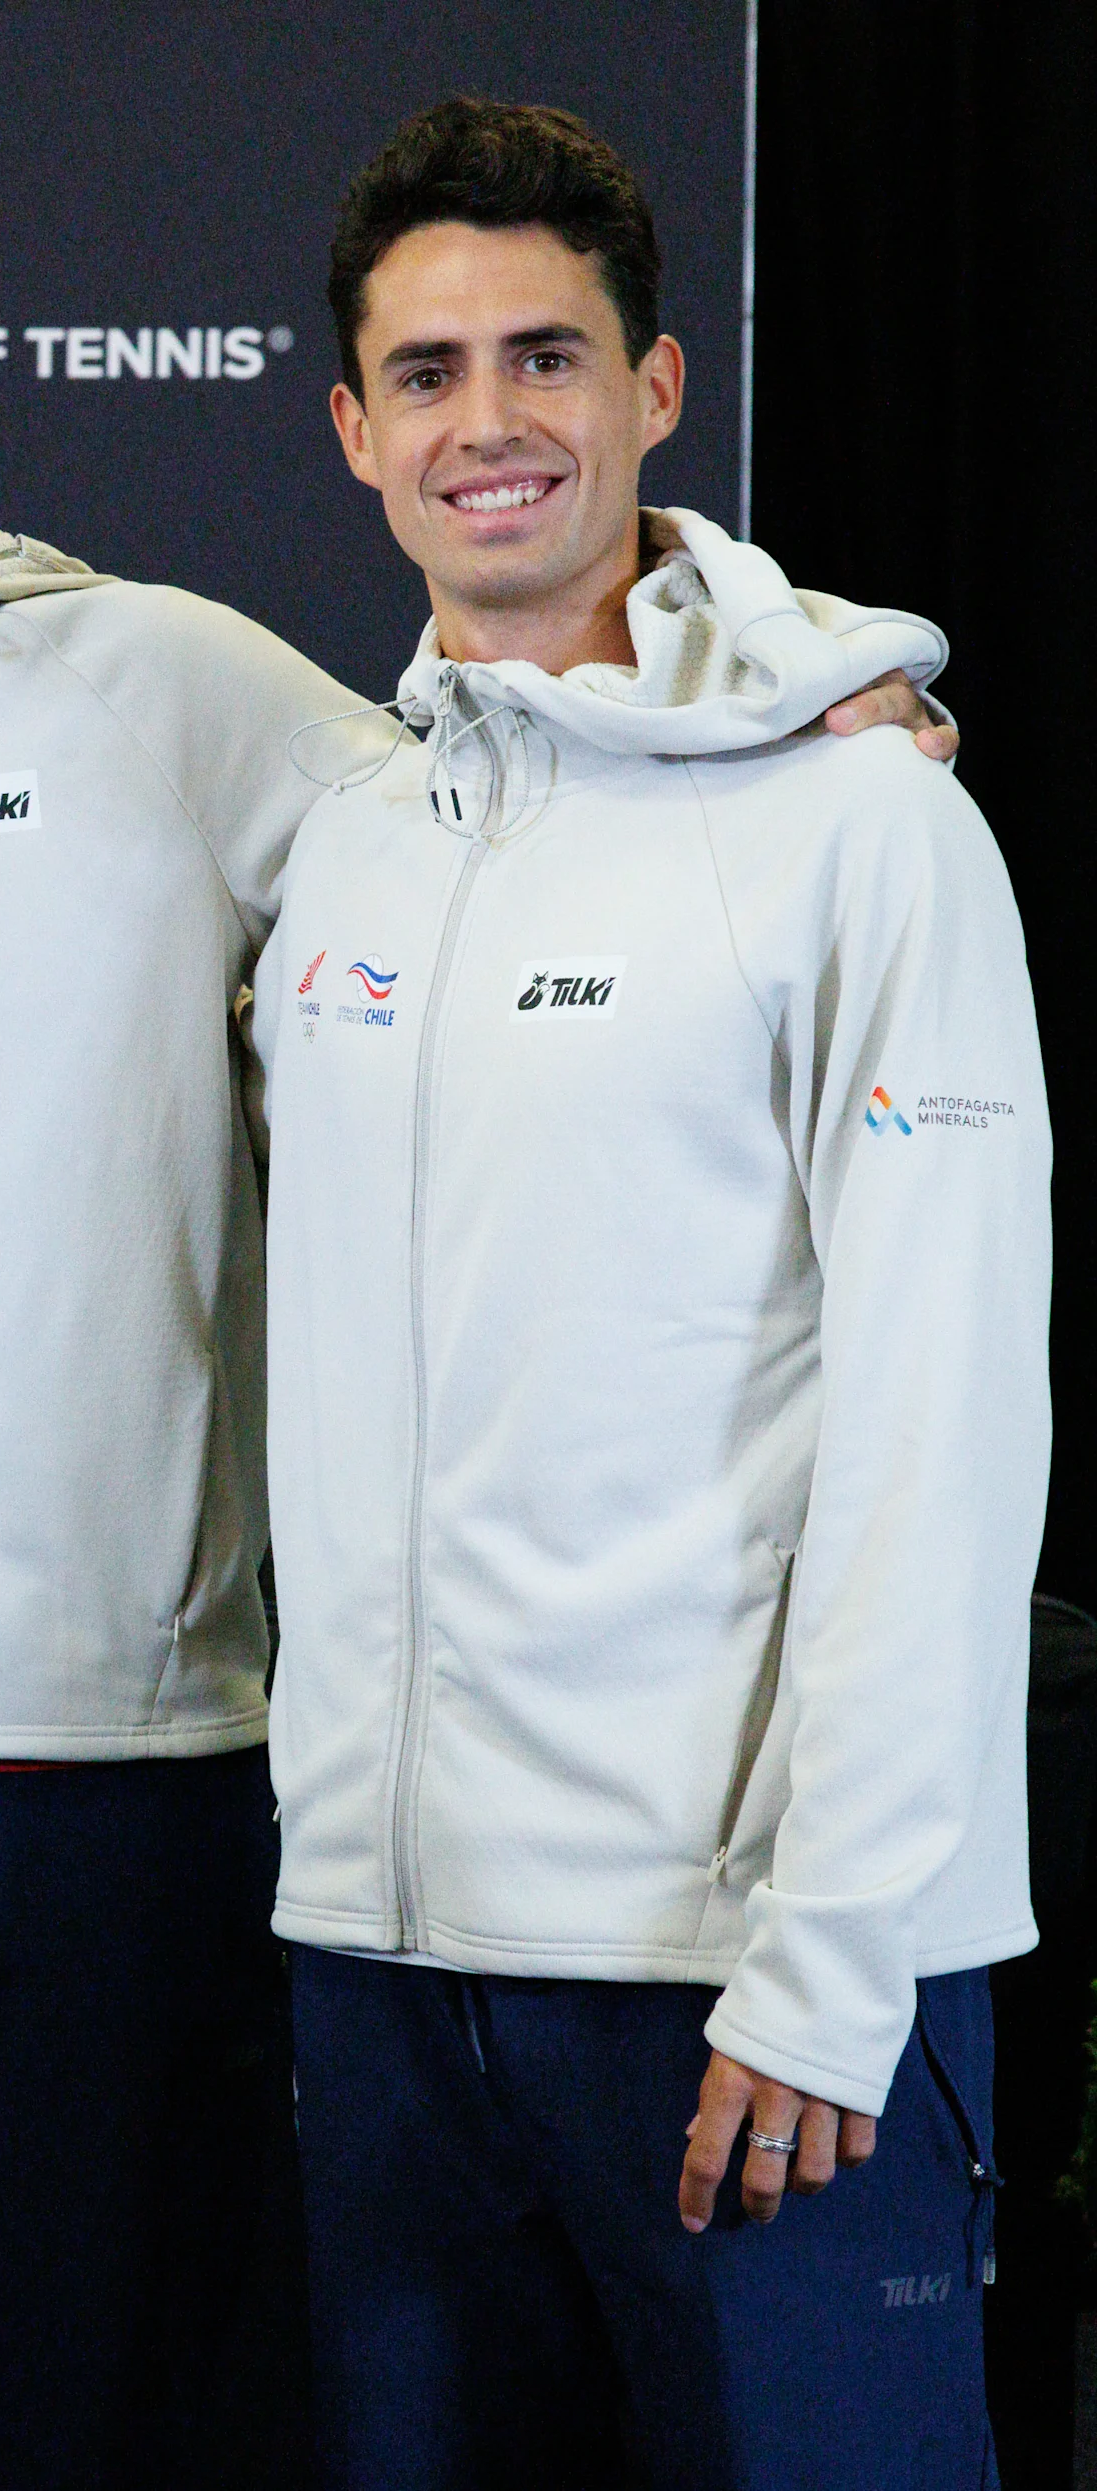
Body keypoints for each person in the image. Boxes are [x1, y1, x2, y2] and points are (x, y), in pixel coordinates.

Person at [0, 90, 949, 2485]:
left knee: (101, 2429)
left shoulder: (178, 691)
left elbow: (541, 786)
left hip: (114, 1783)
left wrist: (787, 692)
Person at [258, 98, 1040, 2489]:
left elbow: (945, 1411)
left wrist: (836, 1961)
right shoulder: (352, 842)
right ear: (351, 425)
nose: (486, 426)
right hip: (388, 1981)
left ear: (659, 390)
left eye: (547, 358)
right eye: (426, 373)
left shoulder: (865, 820)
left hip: (755, 1989)